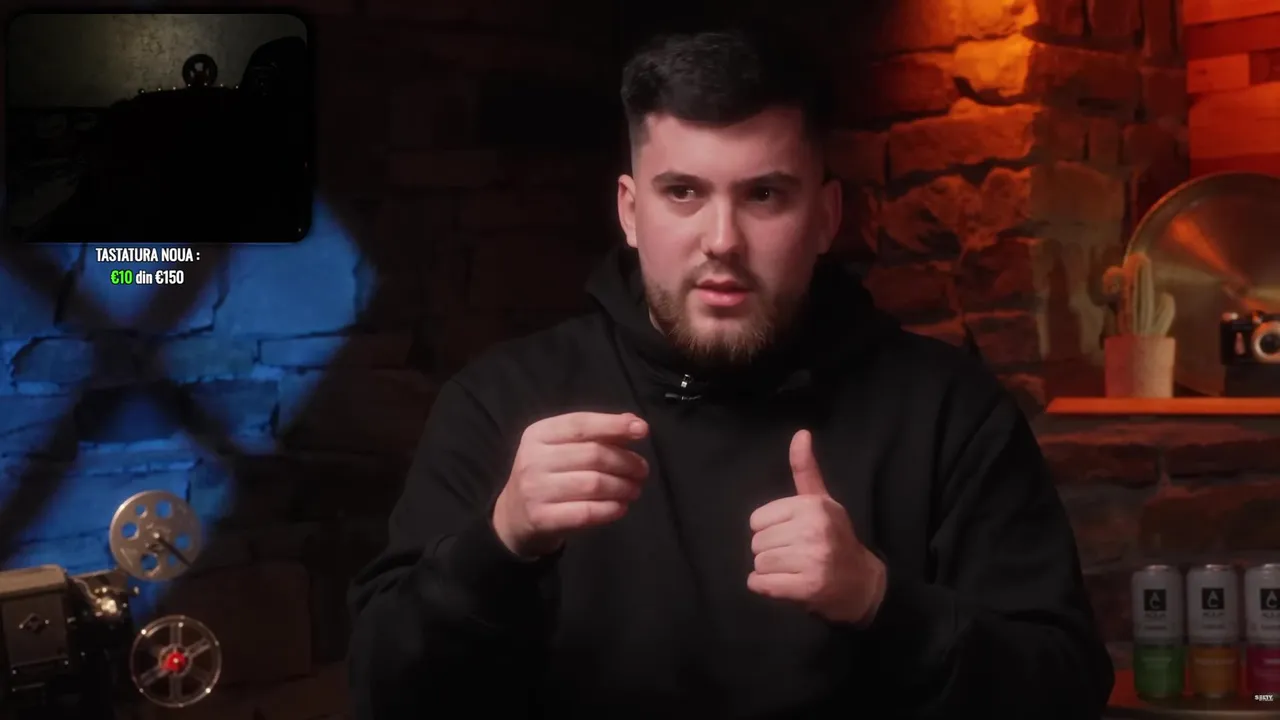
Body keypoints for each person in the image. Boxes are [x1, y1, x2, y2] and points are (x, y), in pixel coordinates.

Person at [347, 28, 1115, 719]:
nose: (722, 240)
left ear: (826, 216)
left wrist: (881, 601)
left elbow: (1065, 689)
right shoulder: (502, 402)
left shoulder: (949, 413)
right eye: (683, 193)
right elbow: (384, 691)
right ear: (630, 211)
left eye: (764, 195)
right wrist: (500, 543)